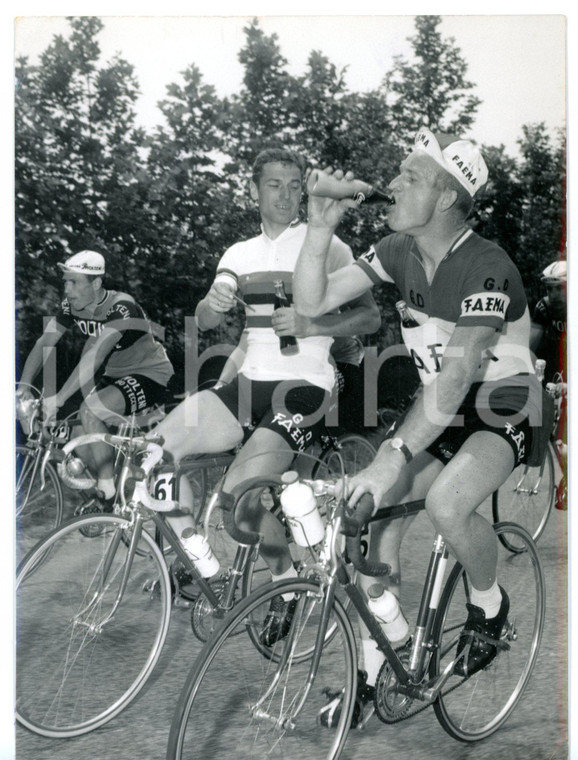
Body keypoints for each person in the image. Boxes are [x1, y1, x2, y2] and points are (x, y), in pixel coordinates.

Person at [294, 127, 546, 723]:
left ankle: (489, 603)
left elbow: (459, 377)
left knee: (448, 502)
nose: (392, 184)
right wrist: (319, 228)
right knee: (372, 532)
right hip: (444, 407)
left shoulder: (489, 265)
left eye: (411, 176)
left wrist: (390, 456)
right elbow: (311, 302)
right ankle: (382, 662)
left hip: (502, 404)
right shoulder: (396, 252)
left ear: (445, 199)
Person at [151, 147, 380, 641]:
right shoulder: (238, 253)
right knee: (155, 453)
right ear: (253, 190)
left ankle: (286, 583)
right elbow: (209, 317)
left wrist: (312, 320)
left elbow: (371, 317)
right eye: (274, 185)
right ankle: (203, 563)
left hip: (305, 386)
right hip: (248, 380)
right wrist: (209, 303)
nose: (286, 195)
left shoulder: (326, 244)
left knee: (242, 503)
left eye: (296, 185)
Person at [16, 250, 174, 506]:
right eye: (65, 281)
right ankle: (111, 484)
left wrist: (59, 397)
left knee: (90, 411)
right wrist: (23, 386)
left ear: (96, 283)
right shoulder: (71, 306)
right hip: (116, 375)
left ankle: (108, 493)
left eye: (74, 282)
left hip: (151, 373)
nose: (67, 289)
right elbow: (45, 342)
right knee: (78, 428)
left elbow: (95, 357)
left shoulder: (122, 307)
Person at [531, 259, 567, 509]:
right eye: (549, 288)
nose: (552, 294)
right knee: (554, 431)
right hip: (556, 367)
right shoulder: (543, 308)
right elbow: (531, 344)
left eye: (560, 288)